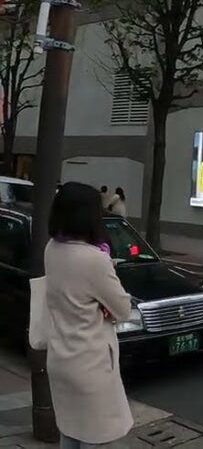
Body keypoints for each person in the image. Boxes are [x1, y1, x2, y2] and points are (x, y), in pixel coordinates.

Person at [44, 182, 134, 447]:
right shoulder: (94, 259)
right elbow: (123, 309)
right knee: (100, 437)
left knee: (70, 433)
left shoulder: (52, 249)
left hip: (61, 359)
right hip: (91, 366)